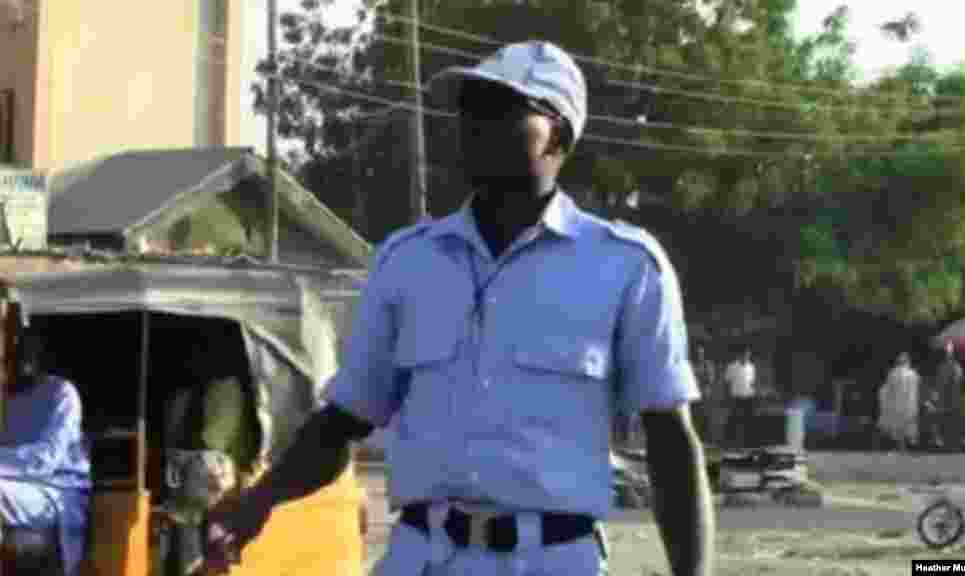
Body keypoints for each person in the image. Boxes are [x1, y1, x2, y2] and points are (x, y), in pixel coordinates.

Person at [202, 40, 713, 576]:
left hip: (553, 561)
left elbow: (671, 445)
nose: (473, 124)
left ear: (558, 132)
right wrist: (257, 503)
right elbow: (344, 420)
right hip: (423, 556)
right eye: (468, 108)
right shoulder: (407, 260)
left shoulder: (624, 267)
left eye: (500, 109)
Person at [160, 331, 261, 576]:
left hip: (204, 484)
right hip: (209, 483)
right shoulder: (230, 391)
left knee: (193, 522)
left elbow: (175, 441)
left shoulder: (209, 393)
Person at [0, 322, 91, 575]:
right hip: (18, 489)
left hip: (55, 491)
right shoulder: (6, 398)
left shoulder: (61, 393)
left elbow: (45, 459)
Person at [877, 352, 921, 451]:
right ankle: (902, 447)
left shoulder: (893, 373)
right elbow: (915, 391)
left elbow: (887, 390)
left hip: (896, 404)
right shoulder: (913, 374)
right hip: (909, 404)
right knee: (906, 427)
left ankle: (900, 447)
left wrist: (885, 402)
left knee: (897, 427)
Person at [928, 341, 964, 450]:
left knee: (950, 421)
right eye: (946, 353)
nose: (947, 356)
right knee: (944, 420)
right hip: (944, 398)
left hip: (952, 398)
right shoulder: (943, 367)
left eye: (949, 353)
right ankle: (945, 443)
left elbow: (958, 381)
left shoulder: (956, 366)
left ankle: (950, 443)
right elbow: (939, 382)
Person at [724, 349, 756, 448]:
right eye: (745, 355)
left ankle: (747, 442)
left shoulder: (751, 367)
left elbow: (752, 382)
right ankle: (729, 442)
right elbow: (727, 382)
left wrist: (754, 391)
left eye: (748, 356)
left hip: (748, 397)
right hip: (736, 398)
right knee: (733, 420)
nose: (747, 358)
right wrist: (727, 397)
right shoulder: (732, 366)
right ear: (740, 355)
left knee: (748, 420)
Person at [692, 345, 718, 444]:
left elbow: (711, 379)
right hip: (693, 394)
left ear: (703, 353)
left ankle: (706, 439)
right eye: (698, 352)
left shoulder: (708, 364)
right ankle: (695, 439)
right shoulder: (692, 364)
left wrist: (703, 383)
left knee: (705, 416)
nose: (699, 354)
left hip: (704, 395)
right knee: (695, 417)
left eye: (701, 352)